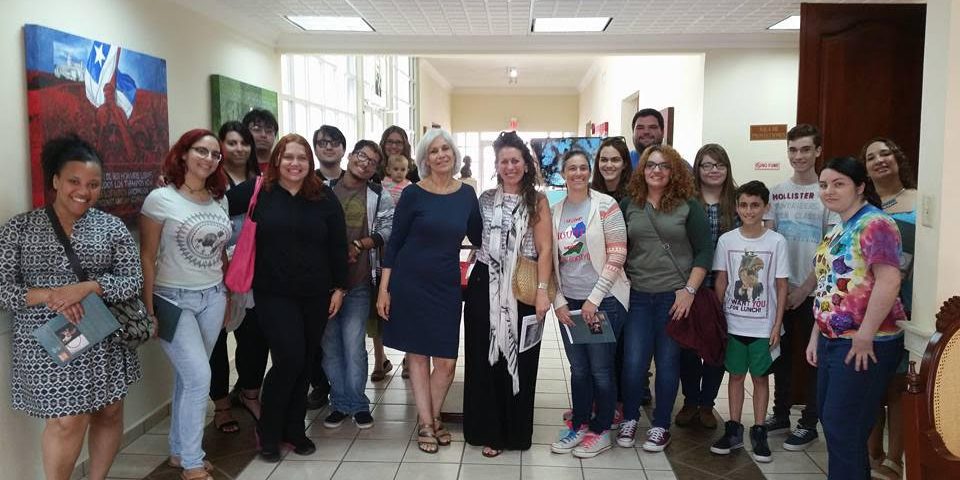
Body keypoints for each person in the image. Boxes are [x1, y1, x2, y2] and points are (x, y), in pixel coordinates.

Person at [0, 135, 143, 480]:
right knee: (66, 421)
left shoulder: (111, 227)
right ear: (56, 182)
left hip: (100, 333)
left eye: (93, 184)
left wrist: (89, 287)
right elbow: (2, 289)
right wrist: (50, 296)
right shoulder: (19, 229)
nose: (84, 190)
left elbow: (133, 280)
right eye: (74, 181)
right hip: (46, 341)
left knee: (108, 412)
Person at [227, 134, 347, 462]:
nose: (295, 163)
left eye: (302, 158)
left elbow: (338, 245)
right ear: (277, 160)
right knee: (289, 359)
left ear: (309, 164)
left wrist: (340, 287)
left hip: (315, 294)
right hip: (273, 294)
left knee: (306, 362)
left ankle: (294, 430)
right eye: (288, 156)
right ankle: (269, 431)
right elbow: (215, 204)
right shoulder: (259, 191)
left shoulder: (323, 198)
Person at [377, 128, 481, 453]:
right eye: (433, 151)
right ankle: (427, 423)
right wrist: (384, 289)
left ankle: (431, 417)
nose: (440, 155)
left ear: (453, 153)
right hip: (410, 282)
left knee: (447, 362)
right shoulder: (413, 194)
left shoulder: (466, 194)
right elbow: (394, 244)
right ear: (424, 159)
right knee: (418, 356)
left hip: (446, 284)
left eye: (445, 149)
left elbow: (480, 235)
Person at [806, 156, 906, 480]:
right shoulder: (839, 227)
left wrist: (865, 333)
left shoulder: (875, 223)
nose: (829, 191)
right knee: (835, 424)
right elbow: (828, 285)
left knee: (842, 426)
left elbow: (889, 280)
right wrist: (815, 335)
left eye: (839, 184)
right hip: (832, 341)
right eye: (823, 185)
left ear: (860, 186)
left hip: (865, 343)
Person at [140, 129, 232, 480]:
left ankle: (179, 451)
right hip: (171, 299)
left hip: (212, 296)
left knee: (187, 378)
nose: (208, 158)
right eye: (201, 151)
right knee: (199, 377)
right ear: (183, 154)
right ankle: (193, 462)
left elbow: (220, 252)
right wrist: (149, 310)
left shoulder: (218, 199)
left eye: (214, 154)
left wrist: (227, 295)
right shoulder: (160, 199)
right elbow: (147, 257)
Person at [463, 132, 552, 457]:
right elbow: (475, 236)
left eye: (516, 160)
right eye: (504, 161)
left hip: (523, 284)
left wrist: (542, 292)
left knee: (519, 359)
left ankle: (514, 431)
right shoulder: (485, 198)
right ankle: (488, 430)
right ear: (497, 166)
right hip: (485, 282)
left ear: (526, 165)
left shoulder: (538, 201)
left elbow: (544, 250)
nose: (510, 166)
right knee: (485, 358)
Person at [619, 144, 713, 452]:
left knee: (668, 362)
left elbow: (704, 252)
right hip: (638, 296)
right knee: (633, 362)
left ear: (674, 171)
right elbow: (617, 246)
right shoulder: (629, 204)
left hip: (674, 298)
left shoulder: (688, 205)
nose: (656, 170)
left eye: (663, 166)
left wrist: (689, 291)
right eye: (650, 165)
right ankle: (630, 418)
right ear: (642, 170)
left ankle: (660, 425)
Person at [548, 149, 629, 459]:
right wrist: (558, 302)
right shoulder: (556, 212)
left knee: (600, 370)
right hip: (570, 303)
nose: (578, 173)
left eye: (583, 168)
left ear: (589, 172)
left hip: (604, 301)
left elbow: (617, 254)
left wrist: (594, 300)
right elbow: (550, 263)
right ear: (563, 173)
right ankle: (580, 424)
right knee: (579, 368)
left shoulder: (606, 206)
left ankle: (601, 429)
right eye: (572, 168)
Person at [763, 124, 838, 451]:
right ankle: (780, 414)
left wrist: (804, 288)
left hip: (816, 292)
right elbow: (769, 242)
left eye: (806, 149)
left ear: (818, 151)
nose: (799, 156)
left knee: (811, 359)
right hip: (782, 291)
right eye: (793, 150)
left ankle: (809, 421)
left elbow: (830, 251)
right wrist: (779, 290)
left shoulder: (829, 194)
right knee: (780, 356)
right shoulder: (777, 191)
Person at [708, 181, 789, 464]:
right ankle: (733, 429)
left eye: (755, 205)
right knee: (736, 376)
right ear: (736, 207)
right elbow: (722, 280)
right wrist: (720, 316)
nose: (749, 210)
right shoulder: (727, 241)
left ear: (765, 207)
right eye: (743, 205)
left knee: (760, 377)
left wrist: (777, 324)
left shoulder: (776, 241)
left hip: (763, 326)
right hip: (733, 324)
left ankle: (759, 431)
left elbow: (781, 286)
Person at [319, 140, 394, 429]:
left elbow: (387, 229)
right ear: (351, 156)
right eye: (362, 156)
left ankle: (358, 403)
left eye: (372, 161)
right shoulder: (324, 190)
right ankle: (339, 402)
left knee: (353, 345)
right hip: (323, 284)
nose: (365, 163)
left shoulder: (377, 193)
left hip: (359, 281)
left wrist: (360, 244)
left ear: (376, 168)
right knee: (330, 347)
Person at [860, 138, 917, 480]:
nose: (879, 160)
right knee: (869, 382)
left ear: (898, 159)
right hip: (865, 303)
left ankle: (895, 460)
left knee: (897, 384)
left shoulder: (920, 199)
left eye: (885, 154)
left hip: (906, 301)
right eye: (871, 157)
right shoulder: (863, 206)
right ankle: (872, 452)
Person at [207, 121, 266, 434]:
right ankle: (221, 405)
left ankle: (250, 392)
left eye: (244, 143)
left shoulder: (262, 180)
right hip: (215, 272)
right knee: (216, 340)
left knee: (255, 337)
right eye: (232, 143)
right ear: (221, 146)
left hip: (254, 271)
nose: (239, 149)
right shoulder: (209, 182)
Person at [676, 143, 739, 429]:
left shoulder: (738, 202)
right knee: (688, 347)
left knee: (716, 348)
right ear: (697, 170)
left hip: (726, 287)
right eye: (707, 165)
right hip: (692, 285)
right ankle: (690, 400)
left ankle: (706, 404)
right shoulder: (686, 201)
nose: (714, 171)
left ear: (727, 168)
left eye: (720, 165)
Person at [306, 124, 348, 410]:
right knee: (315, 337)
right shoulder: (305, 181)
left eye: (334, 142)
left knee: (348, 338)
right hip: (313, 271)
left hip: (350, 270)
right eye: (322, 143)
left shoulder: (357, 180)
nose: (328, 147)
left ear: (343, 148)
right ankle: (320, 384)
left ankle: (347, 389)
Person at [376, 126, 417, 378]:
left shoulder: (412, 178)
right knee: (378, 303)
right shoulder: (376, 178)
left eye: (398, 142)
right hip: (379, 248)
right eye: (389, 142)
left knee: (406, 302)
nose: (393, 146)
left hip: (406, 248)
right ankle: (380, 359)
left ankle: (409, 358)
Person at [590, 136, 633, 202]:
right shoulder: (589, 193)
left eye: (615, 160)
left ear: (625, 164)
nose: (609, 165)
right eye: (604, 160)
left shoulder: (633, 196)